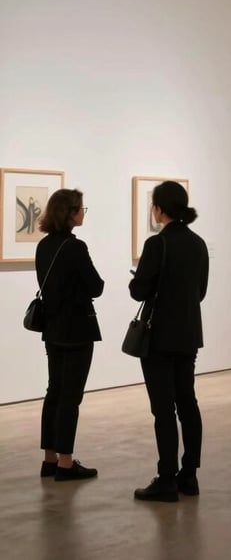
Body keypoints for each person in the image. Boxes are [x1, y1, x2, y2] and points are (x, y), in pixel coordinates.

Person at [130, 181, 209, 501]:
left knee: (163, 409)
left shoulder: (157, 245)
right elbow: (200, 291)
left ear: (160, 208)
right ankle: (189, 475)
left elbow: (139, 291)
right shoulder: (198, 243)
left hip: (159, 335)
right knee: (187, 403)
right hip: (188, 333)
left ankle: (166, 478)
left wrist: (138, 281)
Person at [36, 189, 104, 481]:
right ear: (71, 212)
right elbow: (95, 286)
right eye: (81, 208)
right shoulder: (75, 247)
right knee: (70, 397)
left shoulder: (44, 246)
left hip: (52, 328)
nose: (83, 212)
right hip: (76, 330)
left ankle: (49, 459)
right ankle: (66, 463)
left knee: (54, 391)